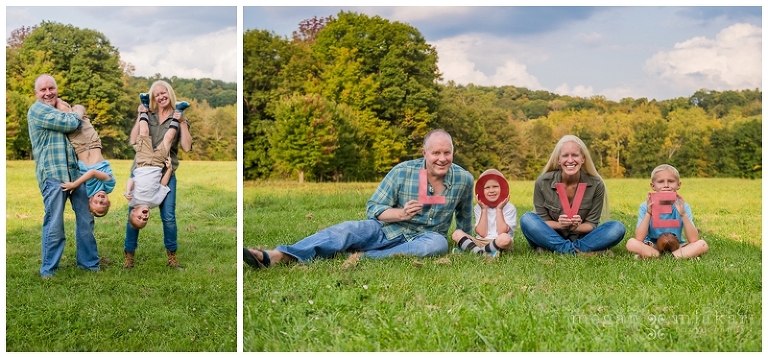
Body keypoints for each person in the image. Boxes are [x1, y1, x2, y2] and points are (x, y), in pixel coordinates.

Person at [244, 129, 475, 268]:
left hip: (424, 239)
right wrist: (401, 213)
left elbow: (464, 221)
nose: (442, 158)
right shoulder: (402, 171)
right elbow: (374, 208)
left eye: (447, 152)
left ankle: (362, 257)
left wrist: (474, 244)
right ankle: (275, 256)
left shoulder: (464, 179)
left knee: (438, 244)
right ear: (424, 153)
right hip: (387, 228)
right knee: (346, 230)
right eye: (436, 153)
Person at [27, 74, 100, 277]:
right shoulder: (37, 110)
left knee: (86, 219)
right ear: (36, 93)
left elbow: (83, 133)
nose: (48, 93)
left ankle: (89, 264)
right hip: (53, 175)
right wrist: (77, 110)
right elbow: (70, 123)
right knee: (54, 222)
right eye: (43, 90)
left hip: (76, 174)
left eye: (52, 88)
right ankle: (49, 270)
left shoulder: (60, 108)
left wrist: (71, 110)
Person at [123, 80, 193, 270]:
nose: (161, 97)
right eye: (157, 95)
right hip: (143, 169)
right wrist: (141, 115)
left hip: (165, 170)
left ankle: (172, 257)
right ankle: (129, 256)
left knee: (168, 217)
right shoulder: (149, 114)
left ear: (170, 93)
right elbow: (132, 139)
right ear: (153, 98)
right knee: (134, 215)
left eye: (164, 93)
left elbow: (187, 147)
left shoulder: (178, 115)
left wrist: (182, 121)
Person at [519, 134, 625, 255]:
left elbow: (591, 224)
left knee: (617, 228)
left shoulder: (596, 184)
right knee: (527, 219)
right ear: (559, 160)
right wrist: (560, 225)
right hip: (550, 236)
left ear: (583, 159)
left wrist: (577, 227)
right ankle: (579, 251)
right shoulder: (542, 183)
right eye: (565, 156)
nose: (570, 160)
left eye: (575, 155)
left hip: (582, 238)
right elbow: (543, 222)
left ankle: (558, 250)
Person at [626, 164, 709, 259]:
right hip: (653, 246)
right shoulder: (645, 206)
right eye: (660, 182)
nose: (666, 185)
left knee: (702, 244)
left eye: (671, 181)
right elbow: (639, 238)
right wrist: (648, 213)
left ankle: (672, 256)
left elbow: (693, 239)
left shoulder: (683, 206)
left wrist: (683, 215)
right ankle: (657, 254)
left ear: (678, 185)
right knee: (631, 243)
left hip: (676, 245)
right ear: (653, 186)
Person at [59, 105, 117, 217]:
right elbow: (93, 173)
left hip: (79, 145)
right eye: (103, 204)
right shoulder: (110, 184)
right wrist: (74, 184)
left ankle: (54, 98)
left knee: (64, 109)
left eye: (96, 202)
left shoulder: (89, 190)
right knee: (78, 110)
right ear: (108, 203)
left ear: (90, 200)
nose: (100, 199)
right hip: (92, 141)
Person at [124, 114, 178, 230]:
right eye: (145, 219)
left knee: (144, 131)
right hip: (158, 163)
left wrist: (128, 190)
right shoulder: (155, 202)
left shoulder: (132, 200)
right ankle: (177, 115)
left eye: (139, 218)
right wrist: (169, 169)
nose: (144, 216)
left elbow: (131, 180)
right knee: (169, 137)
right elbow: (163, 185)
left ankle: (144, 108)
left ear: (133, 212)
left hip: (142, 161)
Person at [452, 169, 516, 256]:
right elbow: (482, 233)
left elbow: (502, 232)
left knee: (505, 238)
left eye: (495, 186)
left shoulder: (509, 208)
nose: (491, 190)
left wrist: (499, 209)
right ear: (482, 190)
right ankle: (484, 253)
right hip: (481, 241)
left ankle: (474, 251)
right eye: (487, 187)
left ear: (502, 187)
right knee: (457, 233)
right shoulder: (479, 207)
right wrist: (484, 210)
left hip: (500, 242)